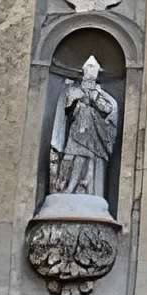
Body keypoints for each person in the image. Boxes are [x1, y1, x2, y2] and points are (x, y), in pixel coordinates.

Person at [50, 55, 118, 200]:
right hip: (77, 129)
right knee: (70, 156)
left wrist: (94, 98)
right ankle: (65, 185)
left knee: (89, 159)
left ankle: (89, 190)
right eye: (89, 67)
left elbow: (108, 109)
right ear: (83, 69)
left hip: (93, 132)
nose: (91, 70)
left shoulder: (98, 92)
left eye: (94, 67)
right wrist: (77, 98)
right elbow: (66, 109)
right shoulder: (73, 89)